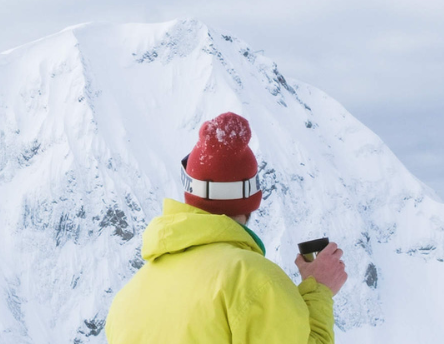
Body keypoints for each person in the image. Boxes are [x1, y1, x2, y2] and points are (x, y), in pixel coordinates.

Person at [105, 112, 349, 344]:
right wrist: (319, 290)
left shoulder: (127, 299)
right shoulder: (255, 281)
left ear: (189, 190)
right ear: (252, 198)